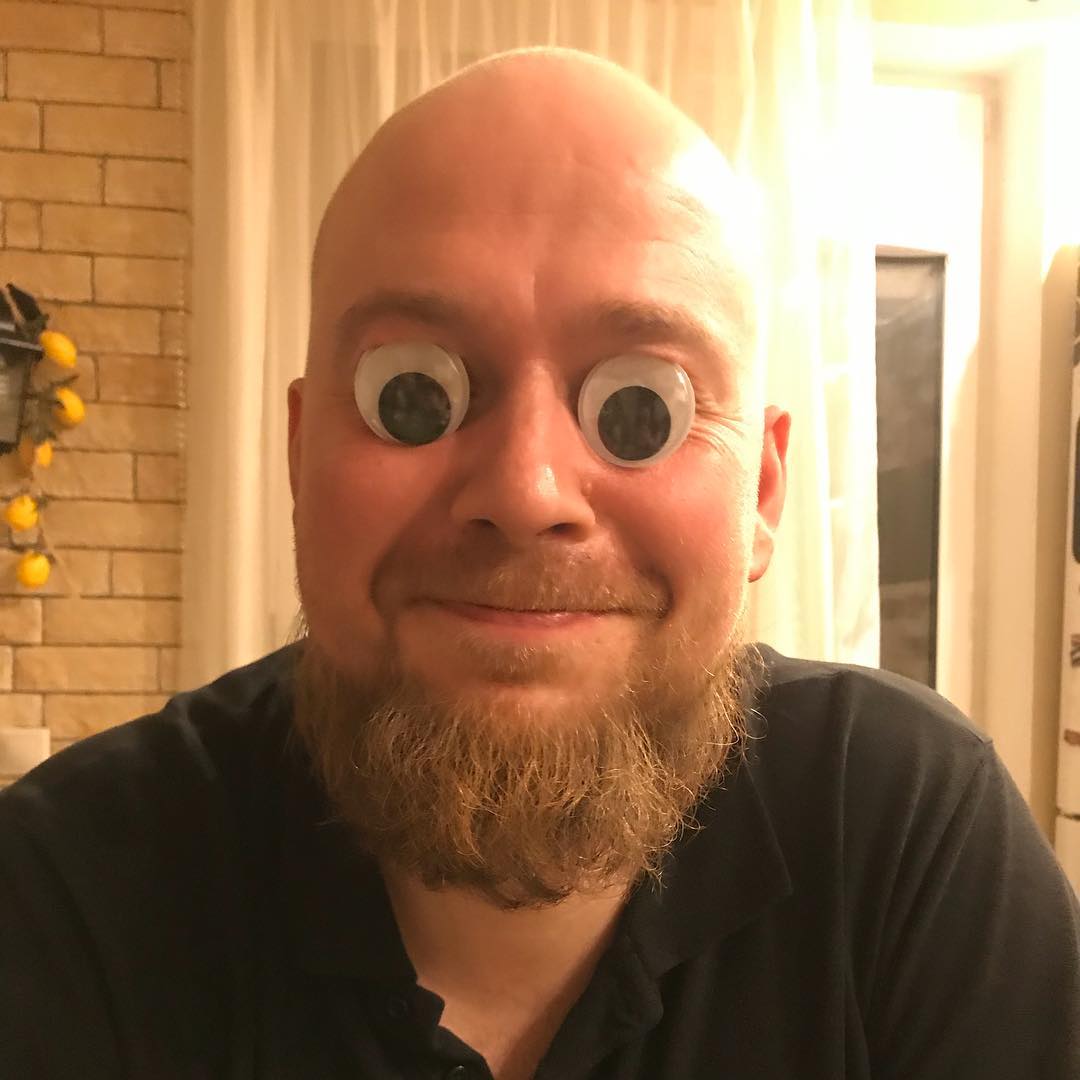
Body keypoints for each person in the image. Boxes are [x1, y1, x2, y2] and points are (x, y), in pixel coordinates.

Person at [1, 47, 1077, 1080]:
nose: (526, 493)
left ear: (760, 491)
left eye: (643, 406)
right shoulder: (66, 897)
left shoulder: (910, 841)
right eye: (410, 395)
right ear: (298, 458)